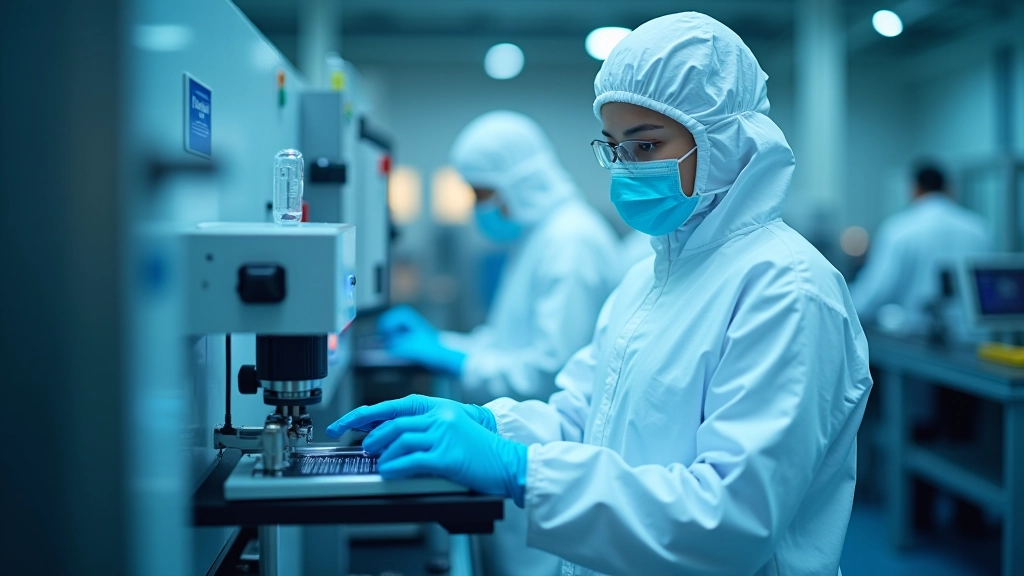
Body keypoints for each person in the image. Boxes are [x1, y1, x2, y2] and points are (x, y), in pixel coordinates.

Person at [330, 13, 872, 575]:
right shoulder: (650, 274)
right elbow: (585, 412)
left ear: (725, 141)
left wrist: (520, 469)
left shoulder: (787, 289)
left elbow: (731, 520)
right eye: (613, 148)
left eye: (644, 146)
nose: (623, 170)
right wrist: (490, 425)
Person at [377, 110, 622, 575]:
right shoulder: (540, 238)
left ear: (519, 183)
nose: (477, 208)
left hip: (548, 467)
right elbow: (508, 342)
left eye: (481, 194)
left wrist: (454, 360)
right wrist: (443, 343)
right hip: (527, 463)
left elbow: (547, 374)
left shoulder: (571, 243)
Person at [849, 164, 990, 340]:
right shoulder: (978, 228)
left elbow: (875, 291)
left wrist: (849, 309)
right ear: (948, 188)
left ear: (914, 189)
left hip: (914, 341)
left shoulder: (899, 229)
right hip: (970, 340)